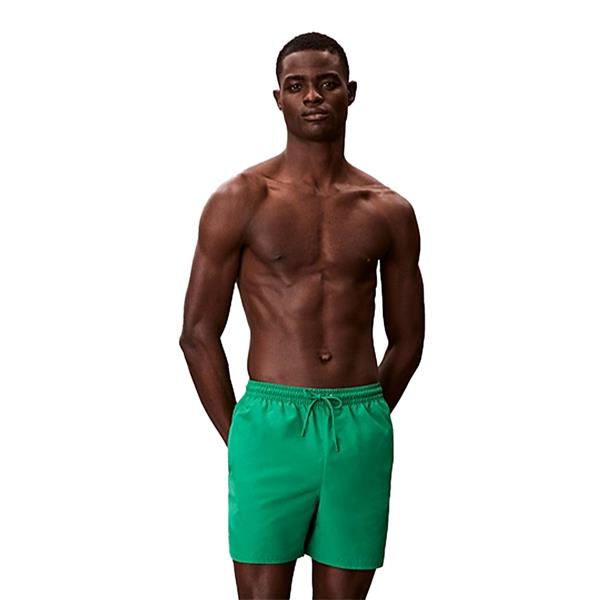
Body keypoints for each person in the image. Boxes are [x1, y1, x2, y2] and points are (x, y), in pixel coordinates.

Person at [179, 31, 425, 600]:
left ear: (350, 92)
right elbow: (197, 333)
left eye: (326, 83)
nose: (312, 95)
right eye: (296, 86)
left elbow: (408, 340)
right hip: (268, 424)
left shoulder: (388, 210)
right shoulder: (240, 199)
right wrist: (242, 436)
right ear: (278, 99)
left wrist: (364, 415)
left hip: (359, 424)